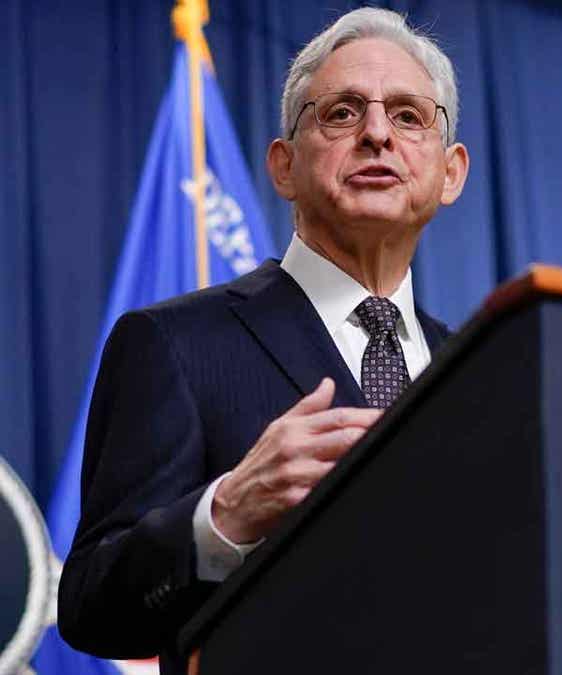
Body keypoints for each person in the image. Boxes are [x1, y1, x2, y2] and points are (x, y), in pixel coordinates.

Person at [57, 8, 469, 673]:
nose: (375, 134)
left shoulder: (478, 372)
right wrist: (222, 515)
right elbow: (90, 607)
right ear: (284, 166)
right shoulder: (172, 344)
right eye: (340, 113)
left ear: (451, 172)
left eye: (408, 115)